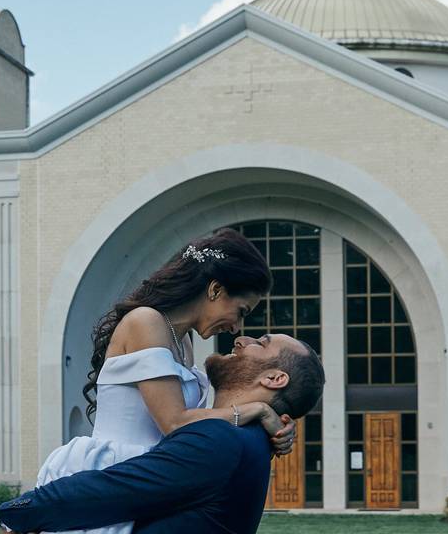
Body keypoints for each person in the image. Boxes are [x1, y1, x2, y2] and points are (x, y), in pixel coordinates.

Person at [34, 229, 297, 534]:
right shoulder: (145, 322)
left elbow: (201, 423)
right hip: (114, 472)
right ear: (214, 290)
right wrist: (259, 410)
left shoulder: (182, 341)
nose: (237, 327)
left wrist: (276, 430)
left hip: (157, 478)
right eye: (240, 312)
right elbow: (174, 422)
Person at [0, 332, 326, 533]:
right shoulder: (247, 439)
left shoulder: (223, 441)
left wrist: (17, 513)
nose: (242, 339)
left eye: (261, 343)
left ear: (274, 379)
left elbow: (108, 491)